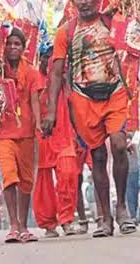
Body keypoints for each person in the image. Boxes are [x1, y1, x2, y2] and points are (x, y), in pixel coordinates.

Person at [42, 0, 137, 238]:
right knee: (97, 157)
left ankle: (122, 209)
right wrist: (51, 110)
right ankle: (104, 217)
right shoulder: (66, 32)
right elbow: (57, 73)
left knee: (119, 145)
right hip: (84, 99)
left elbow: (132, 47)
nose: (84, 2)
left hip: (115, 93)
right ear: (73, 1)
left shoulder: (111, 23)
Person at [0, 28, 40, 243]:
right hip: (4, 132)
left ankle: (24, 225)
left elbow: (35, 99)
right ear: (3, 46)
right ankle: (13, 226)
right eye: (8, 44)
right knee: (9, 177)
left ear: (23, 47)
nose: (12, 48)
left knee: (26, 181)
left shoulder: (32, 72)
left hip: (27, 132)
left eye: (17, 44)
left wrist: (39, 124)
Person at [33, 47, 79, 238]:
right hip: (41, 136)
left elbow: (72, 103)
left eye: (53, 58)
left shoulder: (63, 79)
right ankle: (48, 223)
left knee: (68, 174)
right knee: (43, 181)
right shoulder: (34, 78)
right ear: (40, 59)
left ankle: (67, 219)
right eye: (45, 57)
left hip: (64, 135)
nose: (49, 61)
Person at [125, 132, 140, 222]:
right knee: (131, 195)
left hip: (134, 171)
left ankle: (133, 215)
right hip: (129, 172)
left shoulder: (133, 145)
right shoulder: (123, 146)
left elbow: (138, 156)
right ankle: (133, 215)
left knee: (133, 195)